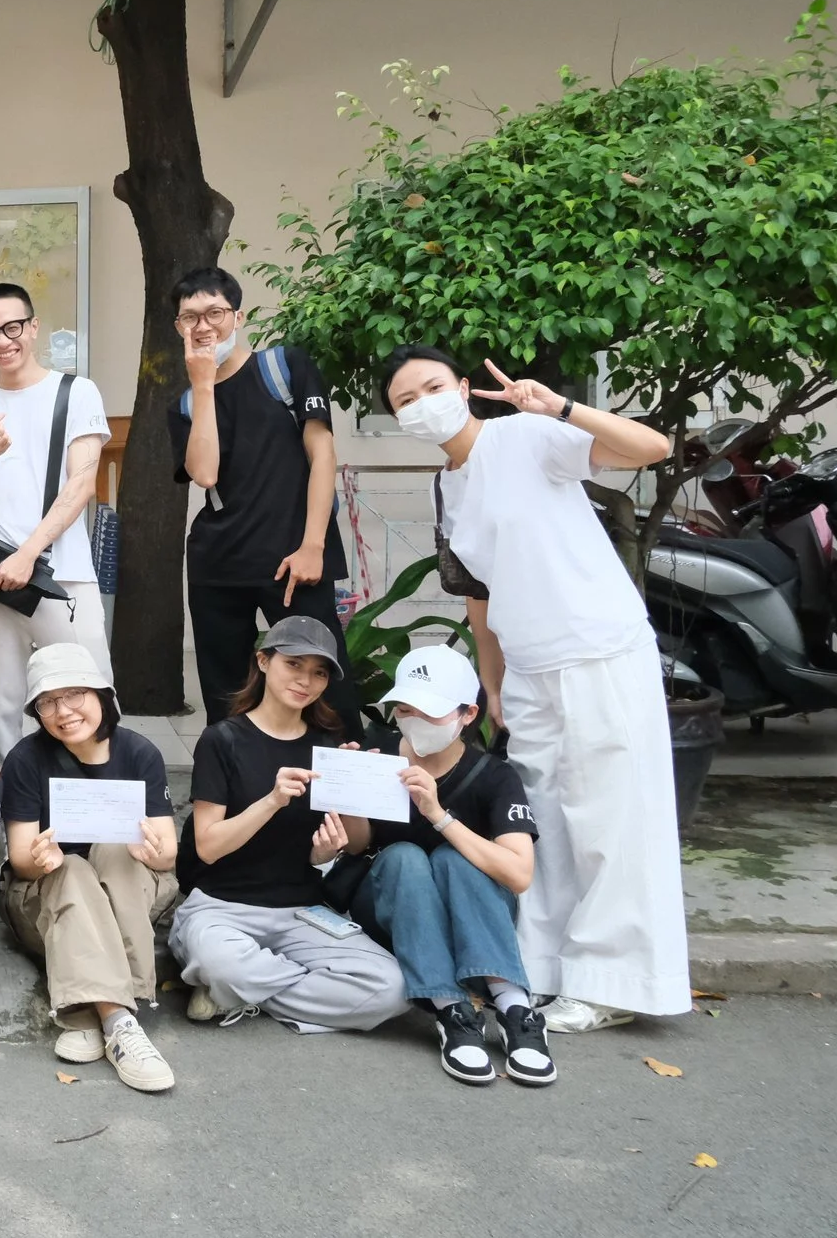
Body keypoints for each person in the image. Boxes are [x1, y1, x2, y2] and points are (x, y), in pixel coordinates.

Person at [383, 345, 686, 1032]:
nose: (422, 402)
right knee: (543, 819)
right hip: (527, 669)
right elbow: (477, 596)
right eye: (405, 399)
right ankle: (542, 968)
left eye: (433, 385)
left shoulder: (524, 436)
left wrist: (562, 406)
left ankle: (614, 981)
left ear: (463, 387)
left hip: (597, 648)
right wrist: (491, 683)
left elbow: (652, 447)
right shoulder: (448, 485)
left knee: (610, 815)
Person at [168, 618, 407, 1035]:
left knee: (392, 988)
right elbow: (207, 846)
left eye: (319, 672)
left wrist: (346, 795)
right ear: (264, 661)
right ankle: (241, 982)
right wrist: (272, 800)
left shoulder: (327, 745)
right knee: (218, 959)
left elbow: (357, 844)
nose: (306, 681)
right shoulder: (222, 740)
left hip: (301, 911)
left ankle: (237, 991)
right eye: (294, 664)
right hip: (222, 908)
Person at [165, 268, 360, 725]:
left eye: (214, 312)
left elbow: (323, 454)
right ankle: (230, 793)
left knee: (327, 688)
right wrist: (203, 383)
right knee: (226, 695)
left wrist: (314, 545)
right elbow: (206, 474)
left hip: (295, 561)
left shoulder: (286, 366)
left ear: (238, 315)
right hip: (219, 564)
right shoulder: (185, 403)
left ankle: (345, 793)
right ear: (178, 327)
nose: (202, 326)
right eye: (189, 318)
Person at [355, 642, 555, 1087]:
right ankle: (452, 1011)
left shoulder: (494, 776)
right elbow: (356, 846)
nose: (413, 719)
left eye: (430, 712)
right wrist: (350, 793)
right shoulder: (379, 753)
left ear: (468, 714)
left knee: (455, 858)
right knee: (405, 856)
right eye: (405, 708)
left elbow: (519, 874)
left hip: (471, 909)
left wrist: (439, 816)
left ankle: (513, 1006)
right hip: (393, 907)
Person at [0, 642, 181, 1087]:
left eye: (74, 694)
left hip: (126, 889)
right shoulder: (26, 759)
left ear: (102, 696)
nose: (63, 711)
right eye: (48, 702)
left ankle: (84, 1016)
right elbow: (20, 859)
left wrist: (152, 852)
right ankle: (119, 1020)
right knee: (73, 869)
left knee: (115, 853)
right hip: (47, 898)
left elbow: (168, 852)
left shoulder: (140, 754)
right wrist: (42, 861)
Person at [0, 282, 114, 760]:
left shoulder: (75, 392)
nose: (2, 340)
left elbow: (82, 484)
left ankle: (94, 805)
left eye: (12, 327)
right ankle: (10, 813)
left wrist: (28, 553)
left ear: (34, 326)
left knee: (88, 693)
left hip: (63, 575)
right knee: (1, 705)